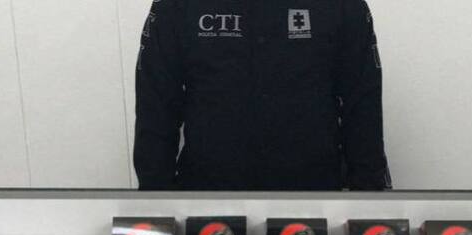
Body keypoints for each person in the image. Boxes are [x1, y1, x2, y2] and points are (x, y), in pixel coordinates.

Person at [134, 0, 391, 191]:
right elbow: (155, 106)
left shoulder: (341, 6)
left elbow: (363, 107)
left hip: (315, 201)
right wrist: (155, 203)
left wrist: (369, 202)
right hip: (207, 200)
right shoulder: (177, 5)